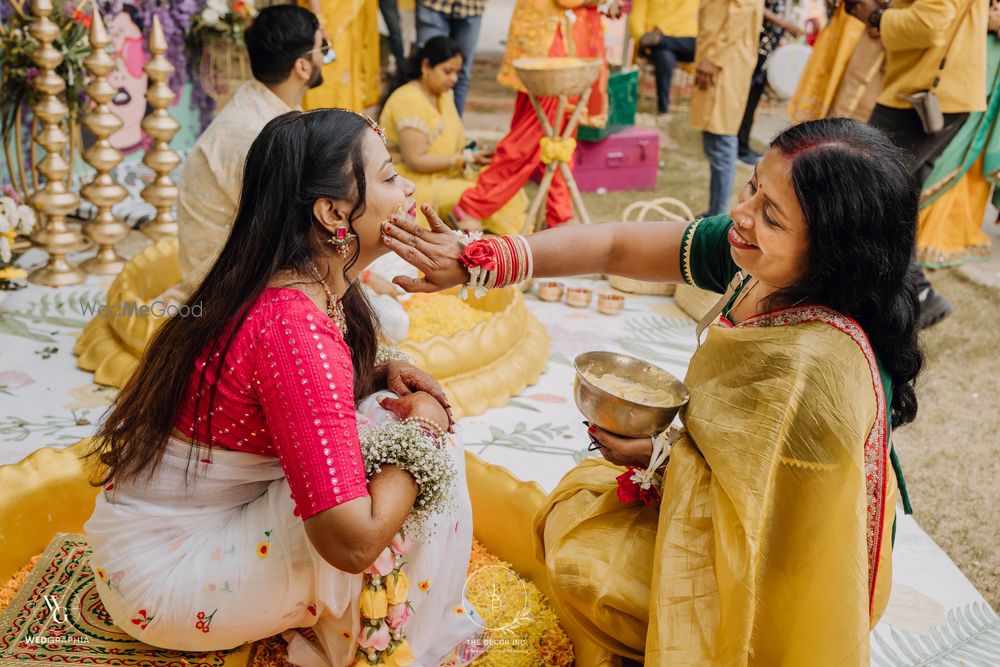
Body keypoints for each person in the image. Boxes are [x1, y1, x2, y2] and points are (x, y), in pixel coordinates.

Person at [380, 117, 920, 663]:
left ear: (829, 253)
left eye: (771, 215)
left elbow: (780, 522)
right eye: (753, 185)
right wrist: (484, 261)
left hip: (793, 562)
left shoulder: (823, 365)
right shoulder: (755, 251)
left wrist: (666, 456)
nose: (742, 213)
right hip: (723, 499)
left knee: (594, 570)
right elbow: (617, 246)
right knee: (577, 513)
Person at [84, 110, 485, 666]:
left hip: (151, 546)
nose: (410, 188)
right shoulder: (294, 328)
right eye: (391, 177)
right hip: (167, 577)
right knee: (411, 439)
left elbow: (291, 394)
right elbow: (353, 543)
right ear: (333, 213)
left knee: (378, 413)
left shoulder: (302, 283)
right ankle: (387, 647)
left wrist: (377, 373)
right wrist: (426, 429)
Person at [162, 5, 325, 303]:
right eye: (321, 48)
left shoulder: (263, 104)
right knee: (386, 314)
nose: (325, 56)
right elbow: (291, 230)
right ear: (302, 67)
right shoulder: (257, 132)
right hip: (225, 281)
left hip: (252, 252)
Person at [848, 0, 988, 328]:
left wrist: (878, 16)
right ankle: (916, 293)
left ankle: (865, 301)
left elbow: (932, 20)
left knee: (865, 193)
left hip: (924, 93)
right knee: (895, 198)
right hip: (940, 92)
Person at [449, 0, 617, 230]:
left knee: (560, 137)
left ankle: (559, 215)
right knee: (530, 138)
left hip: (557, 42)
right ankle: (474, 205)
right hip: (547, 48)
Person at [379, 36, 527, 234]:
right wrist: (463, 159)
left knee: (504, 186)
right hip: (414, 182)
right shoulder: (407, 99)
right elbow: (416, 161)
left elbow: (452, 141)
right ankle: (492, 251)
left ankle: (512, 248)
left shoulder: (444, 95)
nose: (454, 79)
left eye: (457, 72)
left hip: (448, 174)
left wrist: (472, 152)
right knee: (479, 195)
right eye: (447, 72)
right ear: (425, 66)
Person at [914, 1, 1000, 267]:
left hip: (990, 77)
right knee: (940, 147)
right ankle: (911, 232)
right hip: (968, 61)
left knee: (970, 152)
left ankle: (934, 238)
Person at [690, 0, 764, 217]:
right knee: (715, 140)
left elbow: (741, 12)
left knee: (721, 139)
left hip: (724, 61)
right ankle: (714, 211)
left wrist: (714, 58)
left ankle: (718, 215)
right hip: (719, 57)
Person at [737, 0, 802, 165]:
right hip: (755, 45)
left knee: (753, 97)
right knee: (747, 97)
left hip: (766, 47)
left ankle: (742, 144)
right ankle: (739, 148)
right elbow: (754, 5)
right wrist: (784, 23)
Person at [300, 0, 381, 111]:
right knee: (328, 71)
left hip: (351, 13)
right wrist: (319, 20)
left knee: (348, 67)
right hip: (328, 17)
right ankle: (321, 120)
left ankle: (344, 117)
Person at [630, 0, 698, 128]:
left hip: (686, 41)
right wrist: (641, 39)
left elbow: (686, 11)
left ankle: (661, 41)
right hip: (659, 48)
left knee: (700, 46)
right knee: (664, 56)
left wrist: (659, 30)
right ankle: (663, 109)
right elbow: (636, 16)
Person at [414, 0, 486, 115]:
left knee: (461, 72)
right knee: (425, 68)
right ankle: (421, 123)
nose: (452, 79)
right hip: (433, 4)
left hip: (472, 6)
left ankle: (453, 129)